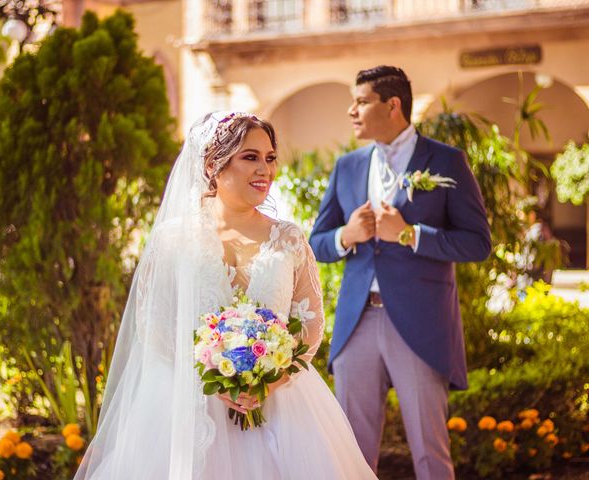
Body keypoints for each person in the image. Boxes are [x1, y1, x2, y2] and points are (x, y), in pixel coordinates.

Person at [74, 112, 377, 480]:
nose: (264, 169)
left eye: (269, 158)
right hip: (186, 406)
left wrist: (270, 381)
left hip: (282, 406)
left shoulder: (290, 239)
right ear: (213, 164)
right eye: (250, 157)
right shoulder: (173, 239)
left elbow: (310, 327)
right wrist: (213, 378)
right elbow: (155, 324)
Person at [309, 66, 491, 479]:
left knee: (430, 452)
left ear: (393, 105)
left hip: (421, 323)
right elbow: (316, 242)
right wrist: (346, 235)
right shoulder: (348, 166)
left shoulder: (446, 161)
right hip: (357, 323)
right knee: (350, 452)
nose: (351, 110)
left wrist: (410, 235)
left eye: (361, 101)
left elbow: (477, 242)